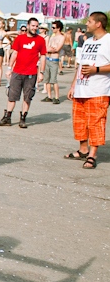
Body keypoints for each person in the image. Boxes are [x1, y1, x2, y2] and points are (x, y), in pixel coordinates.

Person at [64, 11, 110, 169]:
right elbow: (80, 65)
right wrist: (73, 85)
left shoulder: (108, 40)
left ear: (98, 23)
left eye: (89, 21)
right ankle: (83, 149)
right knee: (80, 122)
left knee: (96, 122)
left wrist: (95, 70)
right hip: (81, 89)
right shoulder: (88, 41)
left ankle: (92, 154)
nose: (86, 24)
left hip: (98, 90)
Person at [0, 17, 46, 128]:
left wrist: (41, 72)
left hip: (31, 73)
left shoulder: (40, 40)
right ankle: (7, 117)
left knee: (27, 97)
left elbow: (43, 57)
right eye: (33, 26)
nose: (35, 28)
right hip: (17, 71)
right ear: (28, 26)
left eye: (37, 26)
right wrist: (9, 68)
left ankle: (23, 118)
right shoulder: (20, 38)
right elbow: (14, 54)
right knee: (12, 95)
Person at [42, 20, 65, 103]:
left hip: (54, 60)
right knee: (47, 79)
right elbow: (47, 47)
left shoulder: (62, 37)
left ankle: (56, 97)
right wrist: (50, 49)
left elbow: (57, 49)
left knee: (54, 80)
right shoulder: (52, 36)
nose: (52, 29)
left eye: (54, 27)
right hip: (48, 59)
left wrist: (50, 49)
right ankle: (49, 96)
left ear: (58, 28)